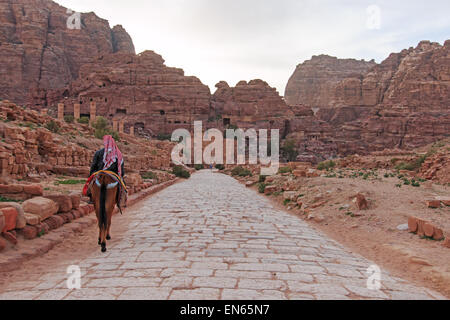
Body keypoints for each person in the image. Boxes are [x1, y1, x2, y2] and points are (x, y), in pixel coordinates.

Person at [87, 135, 125, 205]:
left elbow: (93, 165)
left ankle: (91, 198)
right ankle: (121, 200)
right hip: (113, 174)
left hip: (99, 173)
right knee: (122, 186)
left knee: (90, 185)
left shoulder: (98, 153)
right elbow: (121, 168)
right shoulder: (118, 154)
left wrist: (91, 175)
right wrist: (121, 175)